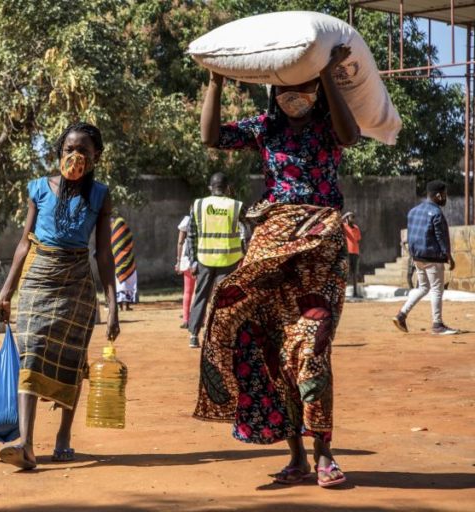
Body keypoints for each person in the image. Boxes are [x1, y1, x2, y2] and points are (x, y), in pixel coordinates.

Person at [194, 45, 360, 488]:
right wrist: (216, 79)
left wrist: (325, 74)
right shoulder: (265, 129)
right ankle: (297, 457)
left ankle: (325, 454)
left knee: (313, 347)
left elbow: (350, 135)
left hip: (319, 249)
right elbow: (212, 137)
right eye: (286, 88)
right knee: (270, 346)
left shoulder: (329, 126)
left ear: (316, 88)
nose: (294, 96)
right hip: (272, 245)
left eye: (303, 86)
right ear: (273, 91)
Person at [0, 122, 120, 470]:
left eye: (84, 152)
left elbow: (104, 254)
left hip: (77, 284)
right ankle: (27, 444)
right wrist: (5, 294)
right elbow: (22, 244)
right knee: (30, 354)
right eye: (69, 150)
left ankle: (63, 435)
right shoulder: (38, 188)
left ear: (96, 158)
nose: (75, 157)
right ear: (59, 152)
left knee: (72, 360)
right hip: (38, 279)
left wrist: (112, 305)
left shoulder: (100, 195)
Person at [186, 172, 245, 349]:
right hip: (229, 259)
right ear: (227, 188)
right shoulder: (235, 206)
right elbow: (248, 229)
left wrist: (192, 260)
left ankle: (194, 335)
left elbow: (191, 234)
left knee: (201, 295)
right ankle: (221, 336)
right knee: (224, 298)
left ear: (210, 187)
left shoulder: (199, 205)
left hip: (204, 259)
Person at [393, 181, 459, 335]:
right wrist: (448, 256)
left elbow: (411, 235)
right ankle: (437, 325)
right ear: (437, 195)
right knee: (437, 289)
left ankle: (401, 315)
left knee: (423, 288)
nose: (445, 198)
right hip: (433, 257)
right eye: (444, 194)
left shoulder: (413, 211)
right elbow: (440, 236)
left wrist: (412, 255)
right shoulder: (436, 213)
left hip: (417, 257)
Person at [111, 214, 138, 311]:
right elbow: (131, 241)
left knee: (120, 284)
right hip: (128, 260)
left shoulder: (113, 234)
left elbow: (113, 247)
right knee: (127, 283)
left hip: (118, 262)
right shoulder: (127, 232)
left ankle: (121, 306)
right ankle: (126, 305)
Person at [176, 215, 195, 329]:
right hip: (200, 259)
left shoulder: (186, 220)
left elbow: (180, 242)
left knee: (187, 291)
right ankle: (198, 319)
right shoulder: (203, 218)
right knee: (198, 292)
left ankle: (186, 319)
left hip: (187, 260)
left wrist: (178, 261)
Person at [342, 212, 362, 298]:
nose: (353, 218)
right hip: (348, 253)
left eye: (354, 217)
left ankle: (355, 292)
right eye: (351, 217)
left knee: (355, 273)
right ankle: (343, 293)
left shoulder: (356, 228)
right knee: (347, 273)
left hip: (356, 253)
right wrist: (344, 216)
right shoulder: (344, 227)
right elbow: (338, 222)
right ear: (347, 218)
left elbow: (358, 239)